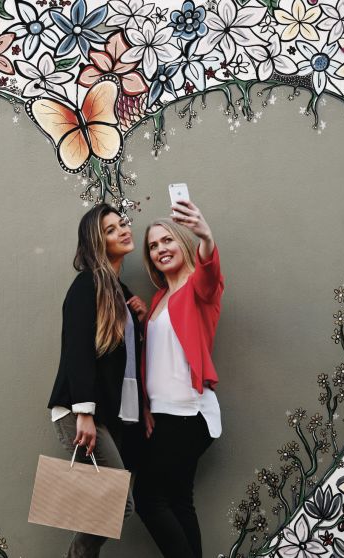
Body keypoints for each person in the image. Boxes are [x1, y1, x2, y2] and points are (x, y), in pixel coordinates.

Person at [47, 204, 148, 558]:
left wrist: (140, 323)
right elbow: (77, 351)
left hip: (105, 413)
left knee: (100, 510)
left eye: (122, 224)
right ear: (95, 241)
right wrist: (84, 413)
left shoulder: (119, 289)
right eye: (110, 229)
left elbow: (121, 361)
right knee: (118, 507)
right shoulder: (86, 285)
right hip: (80, 413)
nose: (122, 230)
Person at [135, 199, 224, 558]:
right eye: (153, 246)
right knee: (177, 501)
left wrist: (205, 235)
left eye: (167, 240)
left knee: (148, 499)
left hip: (187, 413)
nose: (160, 249)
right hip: (164, 413)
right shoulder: (158, 298)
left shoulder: (199, 288)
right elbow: (162, 355)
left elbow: (209, 273)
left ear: (183, 244)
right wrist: (143, 319)